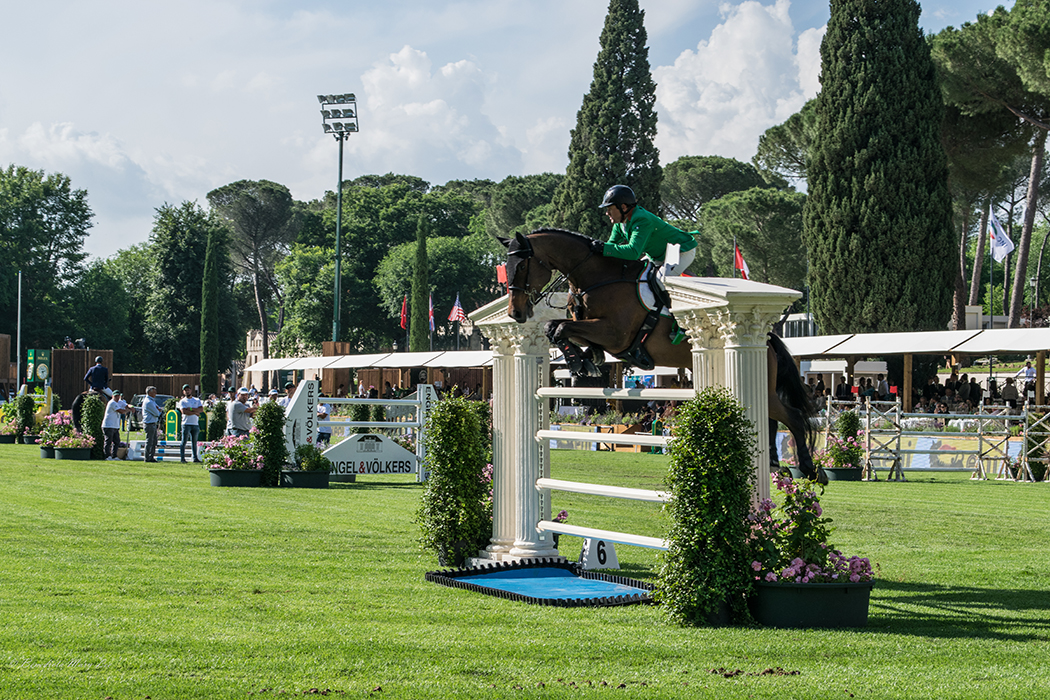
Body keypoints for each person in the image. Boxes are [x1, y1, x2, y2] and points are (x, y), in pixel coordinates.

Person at [591, 185, 698, 276]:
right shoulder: (620, 223)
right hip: (657, 256)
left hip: (679, 251)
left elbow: (633, 252)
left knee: (660, 281)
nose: (607, 213)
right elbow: (610, 246)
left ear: (623, 207)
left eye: (609, 209)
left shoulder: (641, 219)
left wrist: (603, 248)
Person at [178, 384, 204, 463]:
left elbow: (201, 409)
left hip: (195, 423)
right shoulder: (182, 401)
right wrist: (195, 412)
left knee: (194, 442)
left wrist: (191, 409)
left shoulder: (196, 400)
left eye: (188, 390)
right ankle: (182, 458)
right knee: (184, 441)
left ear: (191, 390)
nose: (187, 391)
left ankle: (195, 458)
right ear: (183, 392)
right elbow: (184, 411)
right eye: (185, 390)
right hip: (186, 423)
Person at [102, 391, 130, 460]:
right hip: (108, 425)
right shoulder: (112, 403)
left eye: (118, 396)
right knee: (108, 441)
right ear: (112, 396)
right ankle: (107, 456)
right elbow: (121, 411)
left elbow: (126, 405)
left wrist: (131, 406)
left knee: (116, 441)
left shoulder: (119, 402)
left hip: (115, 426)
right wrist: (128, 410)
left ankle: (114, 456)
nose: (117, 397)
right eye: (115, 396)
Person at [142, 387, 161, 463]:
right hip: (149, 424)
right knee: (149, 441)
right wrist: (158, 411)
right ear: (149, 392)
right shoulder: (148, 402)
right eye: (154, 392)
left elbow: (158, 408)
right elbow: (157, 413)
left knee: (153, 442)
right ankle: (147, 458)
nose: (155, 393)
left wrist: (158, 409)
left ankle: (151, 457)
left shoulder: (152, 401)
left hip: (153, 423)